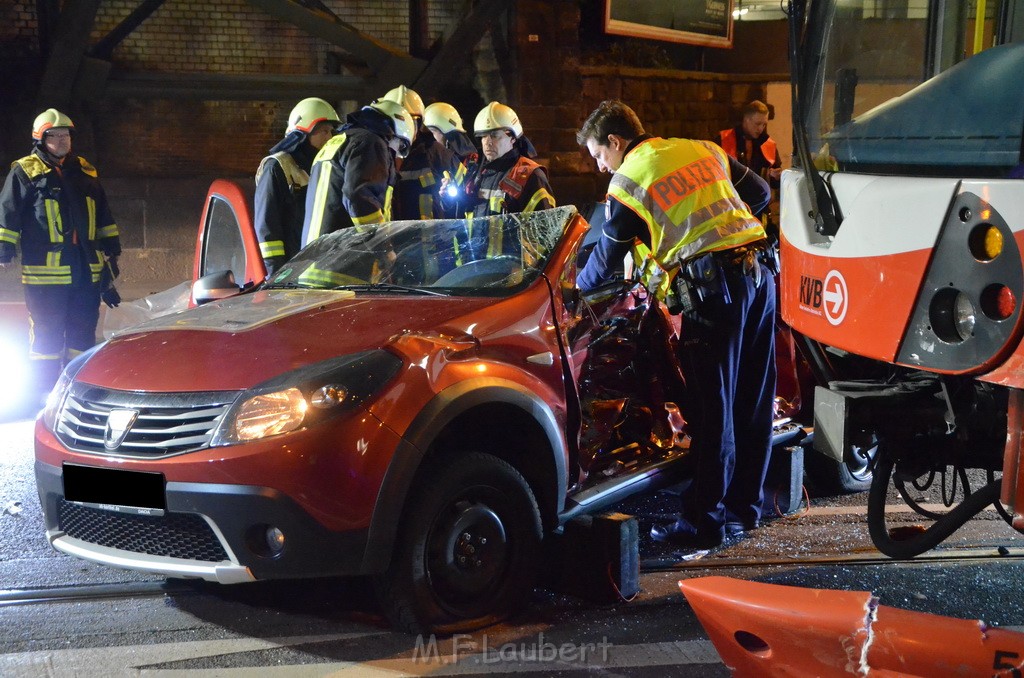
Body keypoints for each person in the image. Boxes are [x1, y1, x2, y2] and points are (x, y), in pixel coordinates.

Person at [575, 99, 773, 551]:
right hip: (760, 276)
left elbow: (604, 261)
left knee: (711, 409)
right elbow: (759, 194)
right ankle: (746, 511)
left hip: (712, 293)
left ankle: (705, 523)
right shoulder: (702, 149)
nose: (602, 168)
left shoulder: (628, 181)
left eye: (599, 156)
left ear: (616, 141)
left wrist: (573, 293)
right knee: (753, 399)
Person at [0, 108, 121, 397]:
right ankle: (44, 393)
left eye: (65, 135)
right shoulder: (26, 172)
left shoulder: (85, 171)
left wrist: (112, 248)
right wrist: (4, 249)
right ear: (40, 139)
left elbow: (103, 213)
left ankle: (76, 392)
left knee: (82, 332)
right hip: (45, 275)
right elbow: (9, 212)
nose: (61, 140)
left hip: (86, 270)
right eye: (54, 136)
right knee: (47, 335)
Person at [301, 97, 415, 247]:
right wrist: (381, 245)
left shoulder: (339, 141)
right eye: (399, 145)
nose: (393, 153)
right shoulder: (370, 142)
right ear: (395, 130)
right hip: (342, 256)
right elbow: (359, 197)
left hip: (315, 253)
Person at [255, 97, 339, 275]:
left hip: (323, 269)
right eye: (324, 131)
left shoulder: (325, 166)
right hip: (291, 271)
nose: (330, 138)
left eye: (331, 131)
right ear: (303, 133)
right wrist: (278, 274)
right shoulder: (277, 167)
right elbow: (267, 227)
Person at [441, 101, 555, 219]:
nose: (487, 143)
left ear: (513, 138)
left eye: (494, 135)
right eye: (483, 136)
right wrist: (447, 200)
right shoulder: (473, 170)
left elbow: (545, 226)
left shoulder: (530, 175)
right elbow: (459, 217)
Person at [382, 85, 461, 221]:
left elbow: (465, 198)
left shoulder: (438, 153)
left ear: (418, 123)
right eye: (399, 120)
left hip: (428, 240)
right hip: (389, 238)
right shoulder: (377, 152)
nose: (404, 126)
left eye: (409, 120)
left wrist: (447, 196)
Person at [715, 100, 782, 197]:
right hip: (731, 201)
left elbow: (775, 184)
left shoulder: (768, 144)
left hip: (759, 204)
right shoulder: (723, 139)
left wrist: (776, 177)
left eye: (764, 124)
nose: (760, 128)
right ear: (746, 119)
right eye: (757, 124)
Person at [423, 101, 479, 179]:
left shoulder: (470, 161)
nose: (427, 137)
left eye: (431, 132)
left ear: (448, 135)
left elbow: (463, 184)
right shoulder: (423, 156)